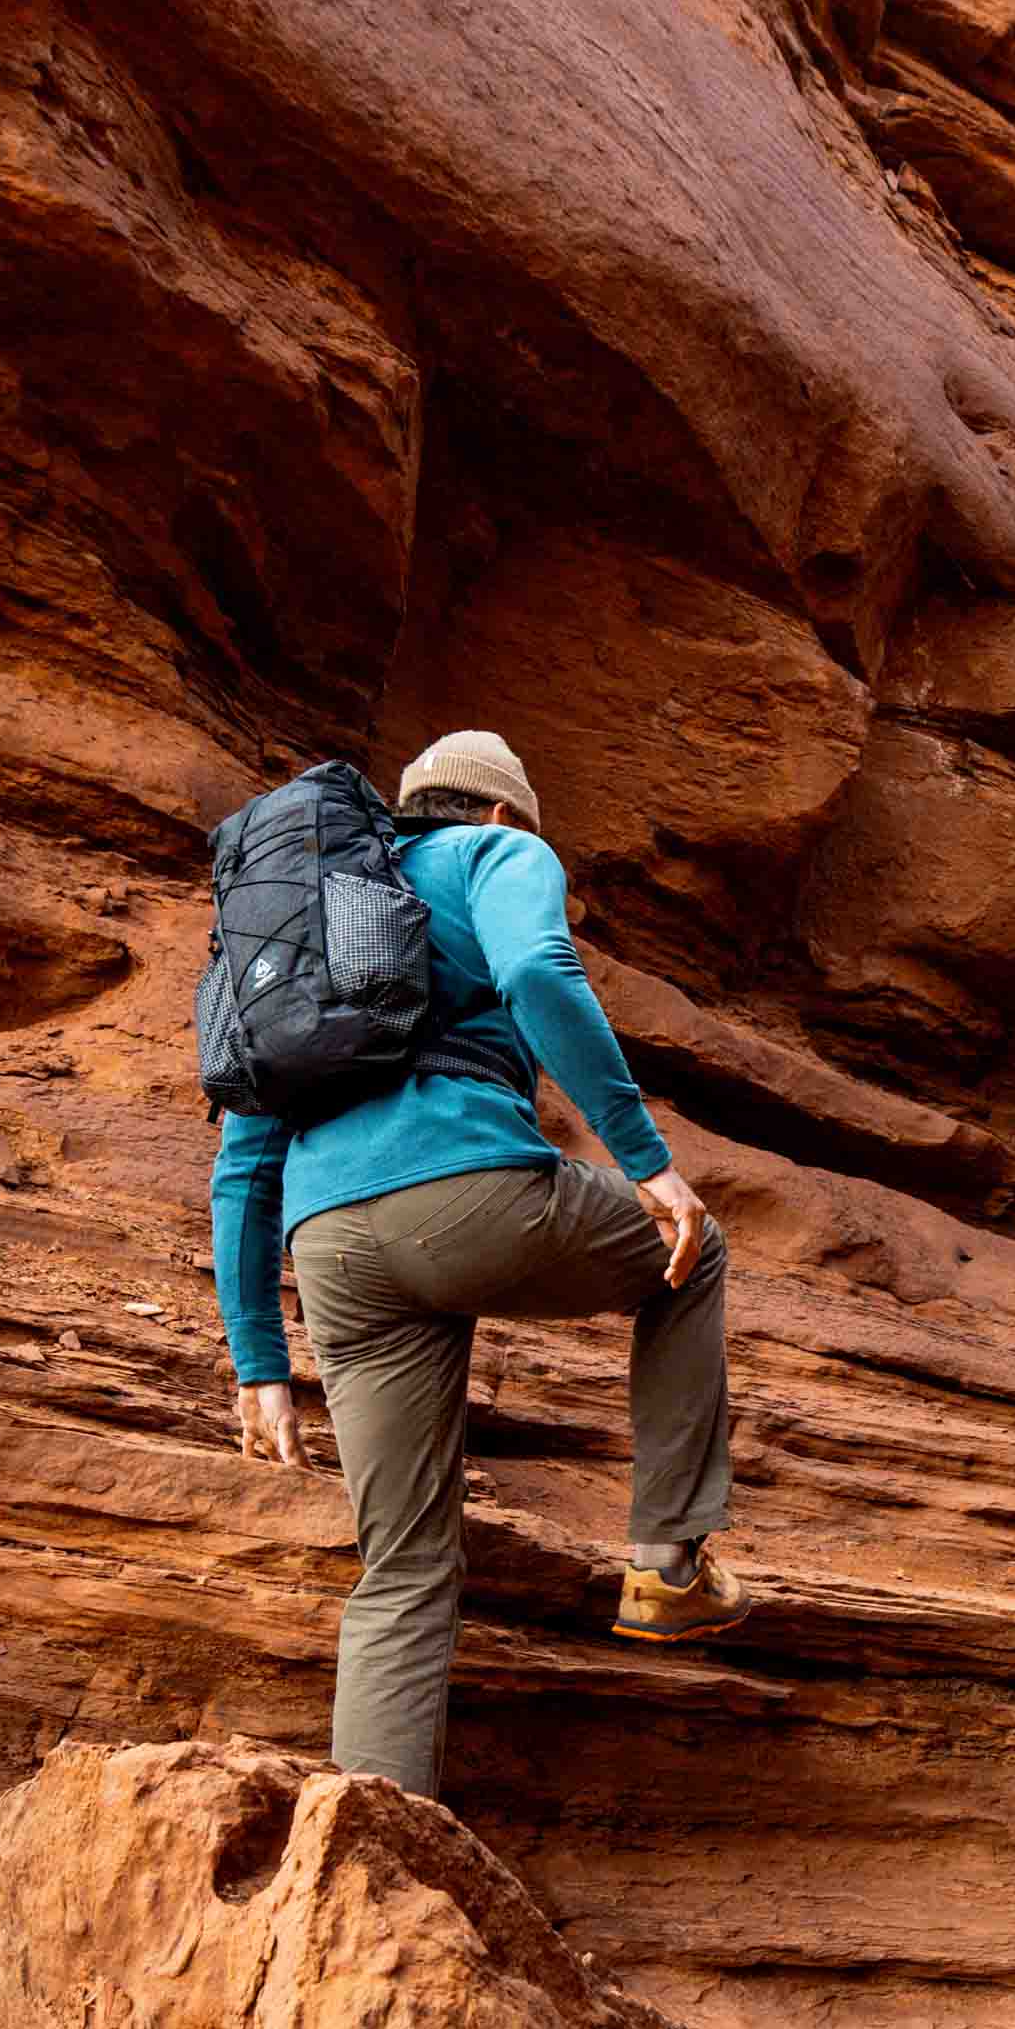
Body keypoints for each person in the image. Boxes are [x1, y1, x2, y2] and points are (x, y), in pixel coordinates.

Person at [212, 729, 748, 1799]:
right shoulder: (494, 857)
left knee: (402, 1570)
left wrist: (258, 1361)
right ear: (503, 814)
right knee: (695, 1250)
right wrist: (645, 1162)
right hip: (469, 1196)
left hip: (333, 1258)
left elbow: (243, 1162)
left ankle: (366, 1846)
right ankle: (666, 1564)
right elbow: (537, 969)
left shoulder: (313, 913)